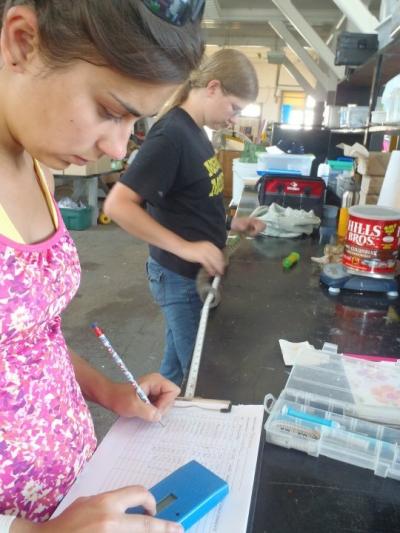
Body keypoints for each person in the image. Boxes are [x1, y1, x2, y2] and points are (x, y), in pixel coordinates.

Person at [0, 1, 205, 531]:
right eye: (111, 110)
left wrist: (107, 391)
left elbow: (29, 339)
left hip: (70, 493)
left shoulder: (34, 164)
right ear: (22, 42)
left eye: (135, 122)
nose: (117, 146)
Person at [104, 48, 266, 386]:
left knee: (178, 371)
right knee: (204, 374)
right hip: (178, 277)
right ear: (213, 87)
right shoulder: (171, 136)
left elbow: (192, 201)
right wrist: (188, 248)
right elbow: (118, 205)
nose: (234, 118)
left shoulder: (197, 132)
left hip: (194, 274)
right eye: (234, 108)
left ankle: (153, 429)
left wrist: (231, 224)